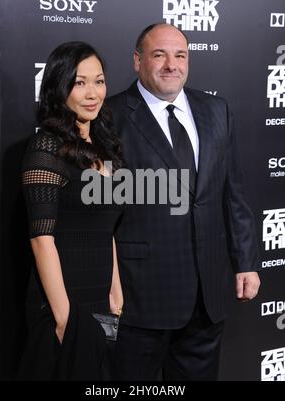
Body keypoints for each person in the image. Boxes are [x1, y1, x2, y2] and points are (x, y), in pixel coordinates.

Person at [107, 23, 261, 381]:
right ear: (137, 61)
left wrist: (246, 261)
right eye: (159, 54)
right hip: (138, 299)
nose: (171, 65)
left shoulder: (216, 110)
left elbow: (232, 191)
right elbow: (100, 214)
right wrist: (109, 290)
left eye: (180, 55)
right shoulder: (109, 117)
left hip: (206, 297)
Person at [18, 41, 124, 380]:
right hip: (62, 302)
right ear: (58, 87)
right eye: (79, 83)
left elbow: (105, 225)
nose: (92, 93)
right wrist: (64, 319)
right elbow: (41, 240)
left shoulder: (105, 145)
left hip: (100, 300)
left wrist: (115, 286)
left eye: (99, 81)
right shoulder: (46, 147)